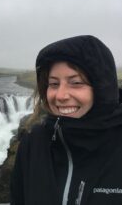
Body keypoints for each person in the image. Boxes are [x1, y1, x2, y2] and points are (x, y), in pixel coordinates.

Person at [10, 35, 122, 205]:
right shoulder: (32, 142)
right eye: (54, 84)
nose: (61, 96)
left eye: (76, 83)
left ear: (102, 88)